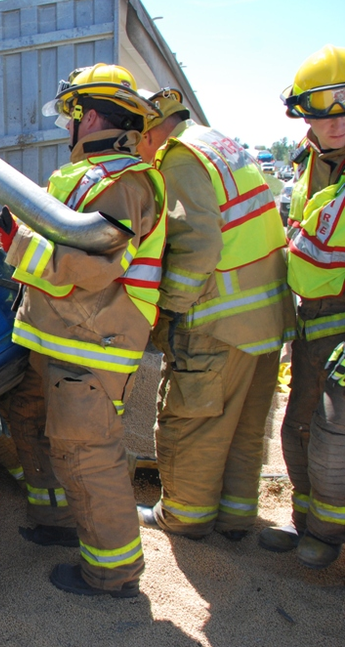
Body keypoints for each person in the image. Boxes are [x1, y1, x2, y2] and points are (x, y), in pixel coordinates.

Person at [0, 63, 165, 597]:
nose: (66, 126)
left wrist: (16, 242)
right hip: (56, 338)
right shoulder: (84, 178)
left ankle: (112, 575)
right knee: (29, 415)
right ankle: (57, 523)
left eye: (70, 114)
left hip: (94, 346)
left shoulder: (128, 182)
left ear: (86, 116)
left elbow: (92, 267)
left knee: (86, 454)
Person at [132, 89, 295, 541]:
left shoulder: (179, 160)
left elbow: (197, 245)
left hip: (217, 320)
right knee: (242, 426)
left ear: (149, 130)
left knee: (194, 422)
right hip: (263, 318)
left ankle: (185, 517)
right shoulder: (221, 145)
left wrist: (169, 310)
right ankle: (235, 517)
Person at [260, 44, 345, 569]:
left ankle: (328, 540)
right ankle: (307, 522)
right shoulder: (312, 162)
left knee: (334, 440)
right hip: (314, 322)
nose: (336, 119)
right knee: (300, 427)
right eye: (323, 106)